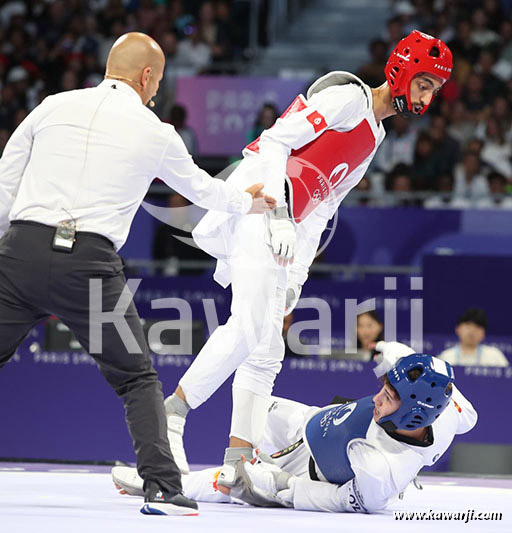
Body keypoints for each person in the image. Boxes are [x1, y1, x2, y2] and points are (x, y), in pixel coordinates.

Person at [162, 31, 454, 491]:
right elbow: (275, 141)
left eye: (434, 90)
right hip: (256, 203)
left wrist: (297, 271)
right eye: (423, 83)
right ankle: (169, 419)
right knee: (249, 327)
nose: (427, 96)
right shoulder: (347, 98)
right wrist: (278, 213)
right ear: (400, 70)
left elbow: (323, 205)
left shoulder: (374, 137)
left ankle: (238, 461)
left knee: (268, 349)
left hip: (285, 229)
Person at [0, 32, 273, 516]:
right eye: (158, 82)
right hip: (86, 267)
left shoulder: (50, 106)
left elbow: (7, 177)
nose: (156, 91)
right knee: (137, 381)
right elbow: (200, 189)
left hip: (19, 252)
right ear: (147, 76)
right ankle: (163, 488)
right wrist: (246, 202)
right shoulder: (155, 130)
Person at [112, 341, 478, 514]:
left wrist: (287, 489)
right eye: (384, 388)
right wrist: (403, 353)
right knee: (258, 409)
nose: (379, 398)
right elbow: (461, 405)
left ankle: (158, 483)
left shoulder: (382, 472)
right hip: (311, 421)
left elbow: (343, 501)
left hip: (308, 473)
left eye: (390, 397)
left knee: (233, 482)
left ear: (414, 414)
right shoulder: (447, 411)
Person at [438, 308, 509, 367]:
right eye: (468, 325)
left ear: (483, 334)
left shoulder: (495, 356)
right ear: (457, 329)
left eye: (477, 327)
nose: (472, 331)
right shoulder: (445, 357)